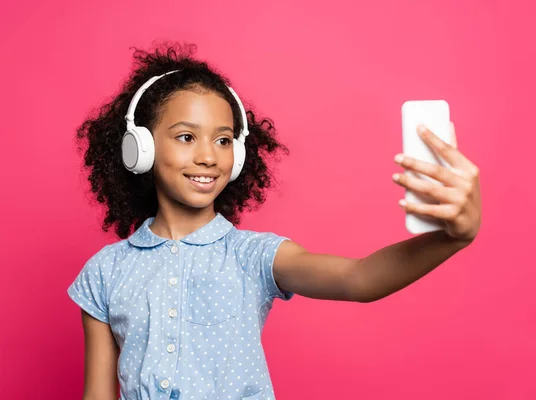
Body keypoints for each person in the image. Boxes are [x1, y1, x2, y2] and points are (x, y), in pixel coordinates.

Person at [67, 43, 482, 400]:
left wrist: (453, 238)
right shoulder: (105, 272)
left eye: (224, 140)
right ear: (138, 147)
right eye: (186, 136)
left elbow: (359, 279)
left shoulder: (254, 256)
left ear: (240, 155)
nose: (209, 156)